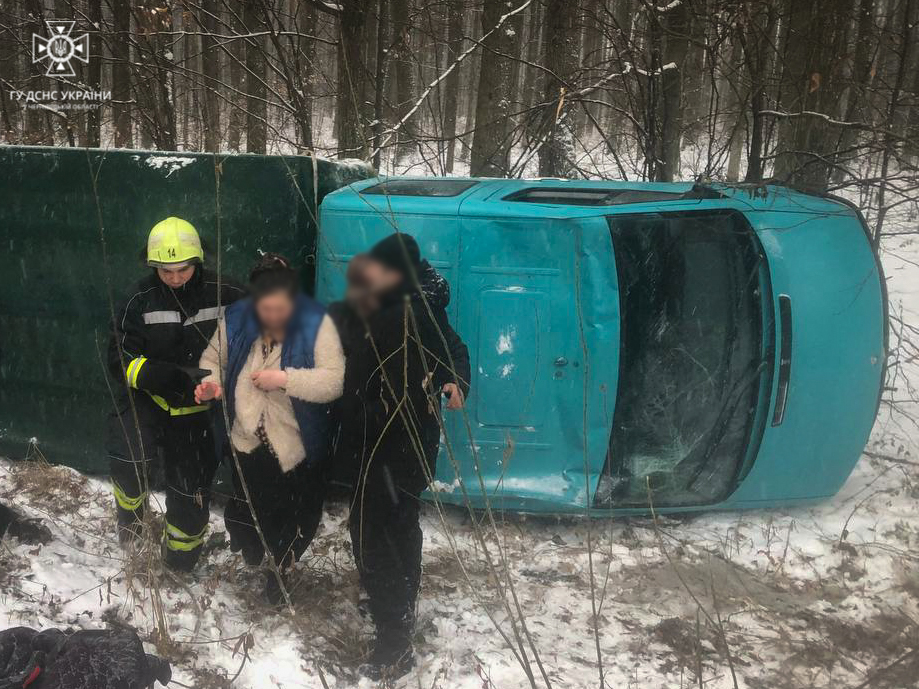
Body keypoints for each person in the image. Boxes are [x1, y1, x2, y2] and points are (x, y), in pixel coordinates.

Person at [334, 233, 470, 678]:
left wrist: (453, 382)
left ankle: (395, 642)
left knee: (382, 533)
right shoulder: (384, 304)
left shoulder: (416, 309)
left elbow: (452, 351)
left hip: (397, 442)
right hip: (375, 439)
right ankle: (390, 603)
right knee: (380, 526)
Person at [195, 254, 345, 603]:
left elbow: (335, 381)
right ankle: (253, 544)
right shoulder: (235, 320)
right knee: (248, 508)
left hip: (296, 443)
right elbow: (210, 361)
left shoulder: (316, 324)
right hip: (247, 438)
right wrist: (212, 385)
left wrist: (284, 379)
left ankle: (281, 574)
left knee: (296, 519)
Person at [107, 217, 244, 572]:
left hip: (201, 410)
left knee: (189, 494)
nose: (174, 278)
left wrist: (218, 380)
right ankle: (131, 520)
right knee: (128, 460)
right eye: (164, 270)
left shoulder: (227, 294)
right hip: (147, 400)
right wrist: (162, 377)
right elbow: (119, 360)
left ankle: (180, 564)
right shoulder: (138, 300)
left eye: (182, 269)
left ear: (198, 261)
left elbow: (256, 342)